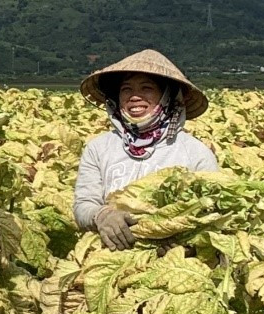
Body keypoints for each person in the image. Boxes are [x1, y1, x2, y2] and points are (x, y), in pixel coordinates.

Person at [74, 49, 218, 250]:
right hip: (109, 253)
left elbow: (213, 213)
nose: (134, 97)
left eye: (146, 88)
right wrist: (102, 216)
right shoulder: (99, 148)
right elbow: (83, 205)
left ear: (166, 96)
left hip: (173, 265)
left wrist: (187, 243)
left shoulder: (195, 153)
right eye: (126, 89)